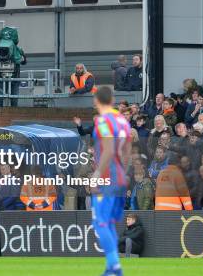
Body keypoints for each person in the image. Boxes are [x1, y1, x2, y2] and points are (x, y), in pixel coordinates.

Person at [91, 86, 132, 276]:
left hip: (107, 178)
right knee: (109, 223)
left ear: (96, 100)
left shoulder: (103, 121)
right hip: (121, 178)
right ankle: (111, 269)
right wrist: (122, 174)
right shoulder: (123, 121)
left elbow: (108, 149)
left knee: (100, 223)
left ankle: (115, 265)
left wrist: (98, 174)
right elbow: (126, 152)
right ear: (112, 100)